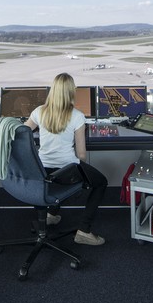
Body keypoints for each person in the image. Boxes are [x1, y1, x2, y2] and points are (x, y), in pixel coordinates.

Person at [25, 73, 108, 246]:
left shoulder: (39, 111)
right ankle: (84, 231)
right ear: (71, 92)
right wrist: (84, 175)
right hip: (66, 172)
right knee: (101, 182)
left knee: (53, 182)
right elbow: (82, 154)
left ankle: (51, 215)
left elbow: (21, 135)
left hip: (41, 171)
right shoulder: (77, 116)